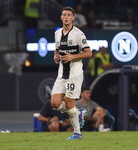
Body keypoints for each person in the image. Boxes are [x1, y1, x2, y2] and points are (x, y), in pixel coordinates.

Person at [51, 7, 92, 140]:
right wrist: (56, 56)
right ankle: (77, 112)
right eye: (64, 15)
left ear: (73, 18)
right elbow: (57, 50)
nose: (66, 17)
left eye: (69, 15)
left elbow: (88, 53)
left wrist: (72, 57)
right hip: (62, 74)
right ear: (61, 17)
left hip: (75, 74)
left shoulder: (78, 34)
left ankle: (77, 133)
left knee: (69, 103)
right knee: (55, 103)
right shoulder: (57, 33)